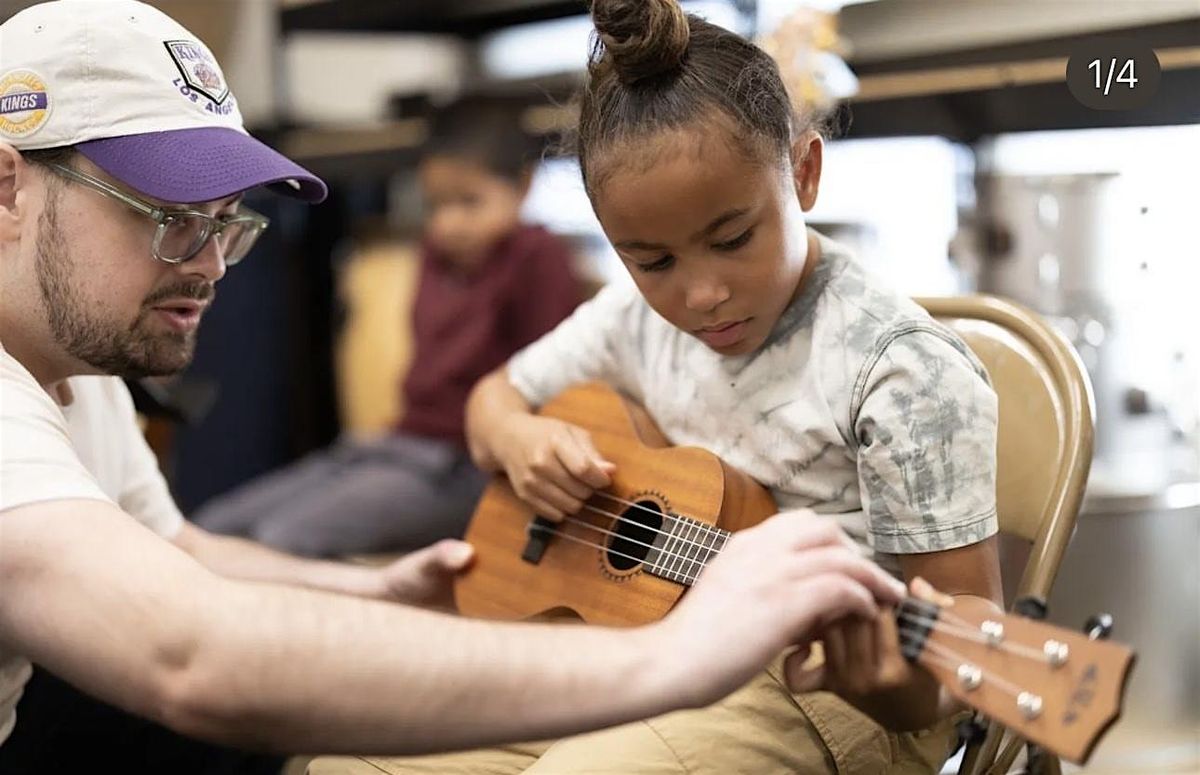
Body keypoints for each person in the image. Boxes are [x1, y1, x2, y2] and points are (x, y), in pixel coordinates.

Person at [0, 0, 908, 766]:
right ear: (9, 188)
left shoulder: (82, 370)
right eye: (167, 221)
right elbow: (191, 654)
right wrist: (676, 656)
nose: (209, 266)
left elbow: (179, 551)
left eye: (223, 225)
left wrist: (374, 589)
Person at [358, 0, 1006, 773]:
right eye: (653, 260)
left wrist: (889, 685)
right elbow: (490, 399)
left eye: (732, 239)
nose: (700, 295)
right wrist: (519, 439)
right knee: (358, 753)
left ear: (803, 173)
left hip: (821, 688)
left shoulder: (901, 372)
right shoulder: (634, 320)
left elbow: (965, 661)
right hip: (649, 635)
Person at [192, 96, 582, 557]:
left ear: (523, 186)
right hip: (399, 445)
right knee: (212, 527)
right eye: (436, 205)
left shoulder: (536, 257)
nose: (448, 223)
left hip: (467, 465)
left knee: (284, 538)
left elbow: (556, 388)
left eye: (469, 202)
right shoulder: (436, 255)